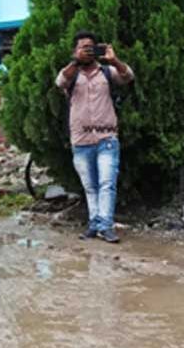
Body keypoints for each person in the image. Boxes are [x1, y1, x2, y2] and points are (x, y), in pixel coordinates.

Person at [55, 31, 134, 243]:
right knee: (90, 187)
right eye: (83, 47)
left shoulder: (107, 72)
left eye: (91, 47)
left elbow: (128, 77)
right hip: (80, 141)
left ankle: (105, 226)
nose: (88, 51)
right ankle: (94, 224)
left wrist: (114, 60)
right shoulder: (71, 75)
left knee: (107, 183)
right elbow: (59, 82)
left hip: (106, 138)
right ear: (75, 50)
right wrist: (76, 61)